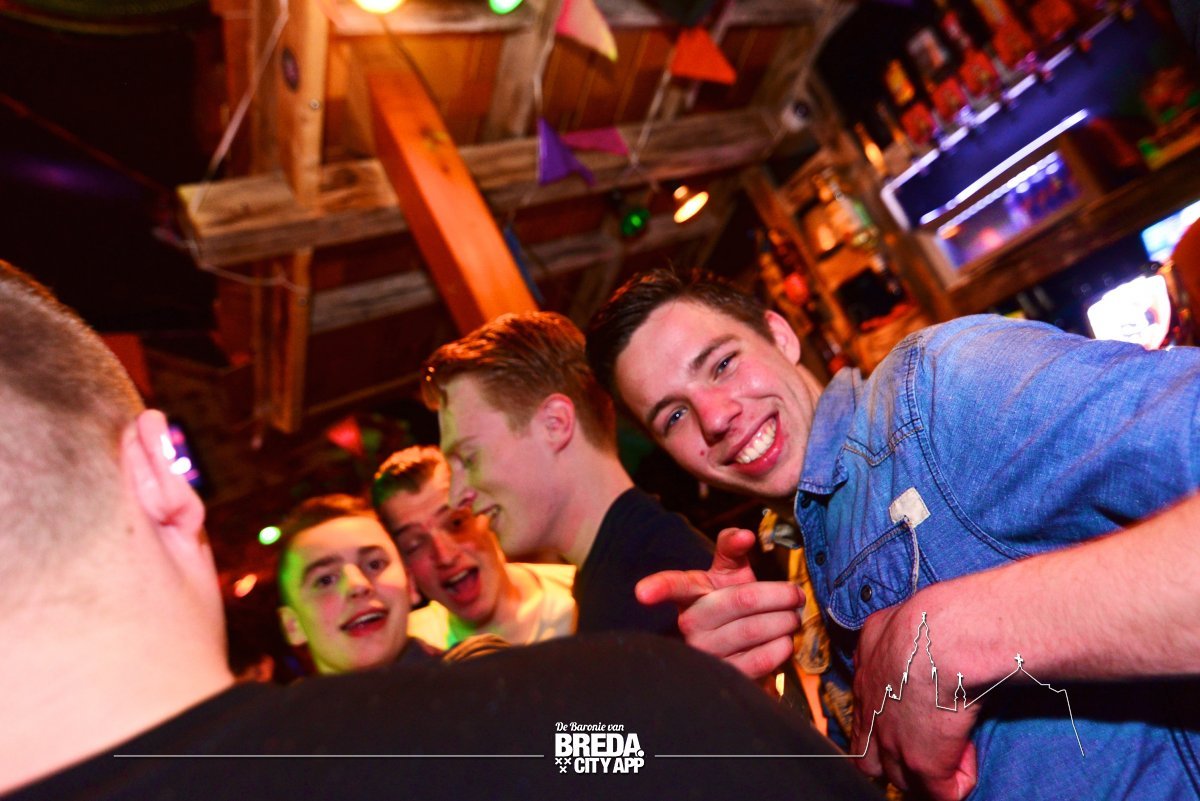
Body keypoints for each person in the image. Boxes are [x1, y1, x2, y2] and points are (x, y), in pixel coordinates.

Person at [0, 259, 888, 800]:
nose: (458, 499)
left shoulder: (561, 693)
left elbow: (630, 756)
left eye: (371, 560)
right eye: (323, 578)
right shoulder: (566, 707)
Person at [585, 266, 1200, 801]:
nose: (715, 417)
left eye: (723, 364)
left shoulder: (939, 386)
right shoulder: (799, 556)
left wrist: (957, 633)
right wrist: (751, 700)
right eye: (675, 415)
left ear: (780, 334)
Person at [421, 311, 714, 637]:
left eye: (469, 458)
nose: (456, 497)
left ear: (555, 424)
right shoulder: (623, 571)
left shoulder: (654, 592)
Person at [372, 445, 576, 648]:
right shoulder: (408, 648)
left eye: (457, 523)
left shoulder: (579, 594)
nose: (445, 556)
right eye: (414, 544)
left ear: (488, 513)